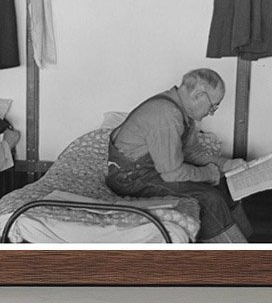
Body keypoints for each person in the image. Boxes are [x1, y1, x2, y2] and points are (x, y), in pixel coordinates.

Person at [106, 69, 254, 244]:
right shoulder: (167, 115)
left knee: (225, 184)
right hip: (131, 178)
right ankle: (233, 255)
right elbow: (173, 174)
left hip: (155, 168)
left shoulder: (183, 109)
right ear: (198, 95)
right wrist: (209, 174)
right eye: (213, 105)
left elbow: (191, 152)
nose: (212, 112)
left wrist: (226, 165)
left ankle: (245, 241)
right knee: (209, 198)